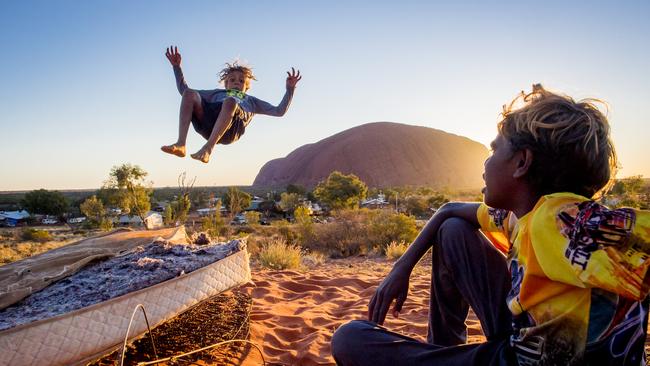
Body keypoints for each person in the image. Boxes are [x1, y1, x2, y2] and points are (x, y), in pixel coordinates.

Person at [331, 84, 650, 366]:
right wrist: (402, 267)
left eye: (495, 148)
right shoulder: (522, 215)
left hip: (524, 358)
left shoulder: (558, 220)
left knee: (350, 338)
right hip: (525, 339)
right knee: (452, 230)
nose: (485, 161)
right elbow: (449, 210)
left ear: (522, 163)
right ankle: (442, 346)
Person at [161, 46, 302, 163]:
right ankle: (181, 144)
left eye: (241, 81)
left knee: (230, 101)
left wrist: (290, 89)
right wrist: (176, 67)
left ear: (247, 87)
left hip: (232, 129)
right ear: (226, 84)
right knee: (189, 93)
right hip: (208, 124)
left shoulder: (251, 101)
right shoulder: (216, 94)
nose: (236, 82)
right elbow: (184, 91)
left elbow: (279, 111)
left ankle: (207, 149)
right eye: (232, 80)